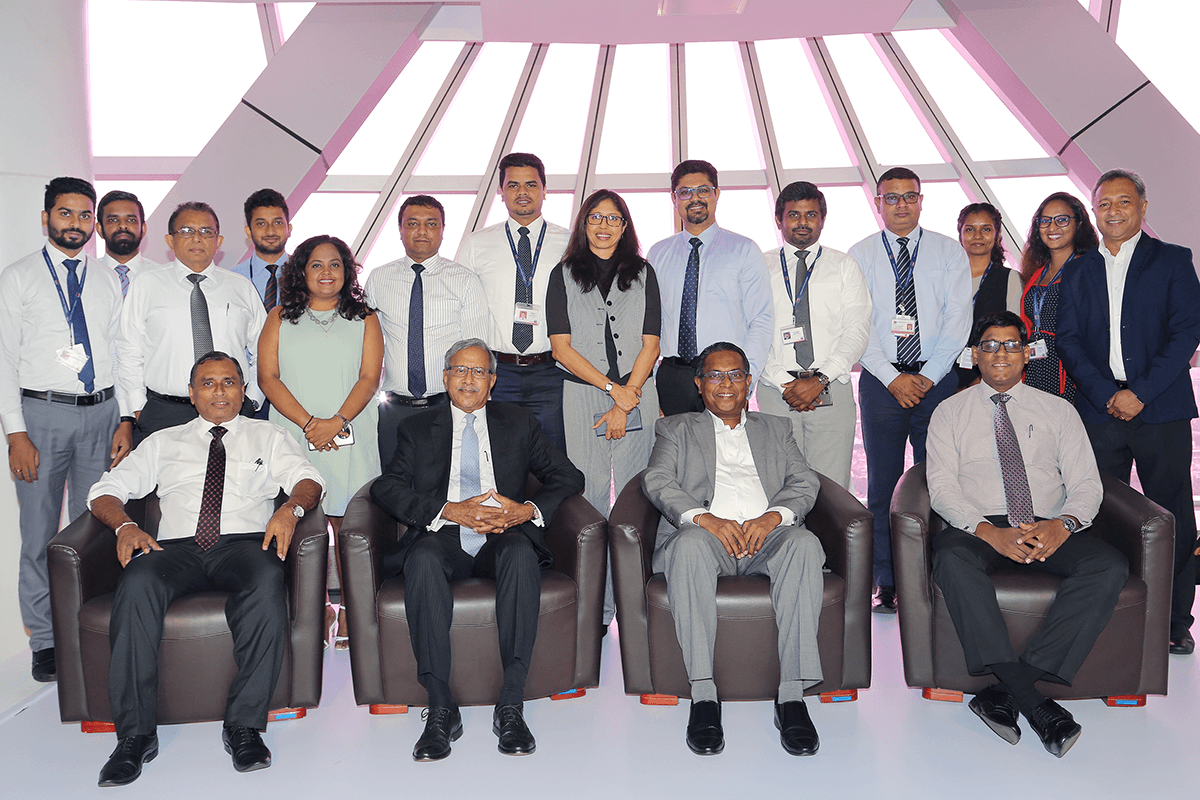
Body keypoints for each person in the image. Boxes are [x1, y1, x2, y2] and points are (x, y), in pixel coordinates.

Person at [87, 352, 324, 785]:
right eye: (208, 383)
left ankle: (244, 726)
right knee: (137, 581)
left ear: (244, 391)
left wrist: (290, 509)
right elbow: (106, 489)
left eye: (229, 382)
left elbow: (308, 480)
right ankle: (135, 736)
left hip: (244, 544)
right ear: (192, 393)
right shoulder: (162, 441)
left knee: (268, 577)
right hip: (176, 548)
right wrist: (124, 526)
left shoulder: (269, 435)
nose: (220, 391)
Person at [369, 339, 584, 761]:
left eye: (479, 371)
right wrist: (448, 510)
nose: (469, 379)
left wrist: (525, 511)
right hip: (444, 533)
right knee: (422, 558)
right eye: (460, 370)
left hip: (503, 533)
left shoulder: (518, 422)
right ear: (445, 377)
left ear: (493, 381)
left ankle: (511, 704)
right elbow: (386, 487)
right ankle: (440, 708)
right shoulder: (416, 427)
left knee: (521, 554)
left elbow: (567, 475)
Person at [927, 311, 1127, 758]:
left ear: (1027, 354)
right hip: (979, 526)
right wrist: (989, 533)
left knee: (1108, 565)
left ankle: (1004, 691)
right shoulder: (949, 412)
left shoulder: (1059, 410)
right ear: (974, 355)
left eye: (1012, 345)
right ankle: (1035, 703)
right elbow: (941, 488)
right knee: (950, 558)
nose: (1001, 353)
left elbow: (1087, 484)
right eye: (990, 345)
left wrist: (1064, 524)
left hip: (1046, 524)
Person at [643, 342, 825, 757]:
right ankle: (704, 697)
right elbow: (657, 480)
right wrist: (706, 520)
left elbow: (804, 481)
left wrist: (773, 517)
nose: (725, 383)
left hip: (768, 539)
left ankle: (791, 698)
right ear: (699, 383)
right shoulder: (675, 429)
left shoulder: (776, 428)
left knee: (804, 544)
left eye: (735, 375)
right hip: (706, 540)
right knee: (689, 546)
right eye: (714, 375)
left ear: (748, 381)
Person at [1057, 169, 1200, 656]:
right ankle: (1110, 611)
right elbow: (1068, 342)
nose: (1113, 211)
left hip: (1160, 407)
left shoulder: (1173, 260)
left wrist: (1140, 392)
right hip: (1100, 411)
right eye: (1104, 204)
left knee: (1172, 511)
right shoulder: (1076, 270)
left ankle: (1175, 620)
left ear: (1142, 207)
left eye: (1123, 202)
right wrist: (1106, 394)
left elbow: (1186, 333)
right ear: (1094, 212)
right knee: (1100, 512)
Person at [0, 176, 128, 683]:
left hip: (102, 413)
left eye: (83, 215)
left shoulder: (106, 279)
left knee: (93, 529)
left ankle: (89, 631)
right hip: (41, 416)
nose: (75, 223)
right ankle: (46, 640)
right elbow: (4, 360)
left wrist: (125, 417)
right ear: (46, 218)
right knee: (39, 533)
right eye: (65, 213)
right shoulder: (18, 277)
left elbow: (120, 350)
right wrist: (16, 433)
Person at [849, 167, 971, 613]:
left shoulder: (948, 251)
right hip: (882, 383)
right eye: (891, 197)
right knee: (882, 485)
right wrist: (891, 376)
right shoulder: (860, 254)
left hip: (936, 383)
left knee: (937, 482)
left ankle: (935, 575)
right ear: (878, 203)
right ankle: (887, 579)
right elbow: (857, 323)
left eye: (909, 196)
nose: (901, 204)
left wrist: (929, 376)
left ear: (921, 200)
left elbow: (958, 318)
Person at [259, 234, 383, 650]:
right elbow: (268, 378)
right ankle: (315, 609)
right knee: (301, 525)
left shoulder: (365, 318)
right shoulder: (279, 317)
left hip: (351, 432)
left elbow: (369, 378)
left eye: (335, 264)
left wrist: (336, 422)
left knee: (349, 527)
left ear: (347, 272)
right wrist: (312, 424)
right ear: (301, 271)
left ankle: (348, 607)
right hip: (296, 433)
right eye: (316, 264)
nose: (326, 272)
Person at [546, 189, 661, 626]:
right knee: (589, 500)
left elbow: (651, 344)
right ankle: (596, 607)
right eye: (596, 217)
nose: (604, 226)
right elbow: (561, 348)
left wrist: (627, 396)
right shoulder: (563, 274)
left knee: (634, 502)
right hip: (583, 396)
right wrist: (614, 390)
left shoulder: (643, 273)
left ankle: (634, 605)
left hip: (638, 393)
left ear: (625, 226)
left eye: (613, 218)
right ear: (584, 223)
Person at [117, 201, 266, 444]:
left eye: (206, 231)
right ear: (170, 240)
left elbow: (264, 350)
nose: (197, 238)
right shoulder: (146, 284)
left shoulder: (241, 287)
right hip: (164, 413)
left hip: (230, 411)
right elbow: (129, 350)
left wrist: (252, 401)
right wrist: (138, 408)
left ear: (218, 241)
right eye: (186, 231)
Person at [758, 181, 871, 490]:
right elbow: (752, 331)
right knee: (780, 486)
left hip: (832, 390)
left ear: (822, 219)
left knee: (832, 489)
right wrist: (784, 382)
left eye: (811, 215)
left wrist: (819, 380)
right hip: (776, 392)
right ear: (779, 219)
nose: (803, 222)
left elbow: (857, 330)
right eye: (793, 215)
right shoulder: (760, 267)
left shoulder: (844, 266)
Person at [456, 153, 571, 453]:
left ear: (544, 190)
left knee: (554, 458)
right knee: (501, 458)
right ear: (501, 192)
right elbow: (459, 308)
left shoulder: (570, 243)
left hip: (553, 372)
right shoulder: (476, 244)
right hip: (498, 374)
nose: (522, 192)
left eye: (531, 184)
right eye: (513, 185)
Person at [365, 195, 490, 468]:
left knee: (444, 483)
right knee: (393, 484)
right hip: (393, 411)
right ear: (400, 230)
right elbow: (366, 343)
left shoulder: (465, 281)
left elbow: (479, 351)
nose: (422, 231)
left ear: (443, 230)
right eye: (413, 223)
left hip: (446, 408)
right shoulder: (379, 279)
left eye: (431, 224)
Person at [647, 159, 773, 415]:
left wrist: (744, 384)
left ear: (717, 194)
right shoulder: (657, 254)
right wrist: (651, 382)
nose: (695, 198)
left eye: (703, 190)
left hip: (724, 378)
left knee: (726, 443)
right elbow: (651, 325)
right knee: (674, 442)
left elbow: (761, 320)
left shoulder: (744, 250)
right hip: (672, 377)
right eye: (685, 192)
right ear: (674, 199)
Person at [1018, 193, 1099, 402]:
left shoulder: (1088, 270)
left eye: (1061, 220)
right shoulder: (1036, 271)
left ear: (1078, 223)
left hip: (1070, 369)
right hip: (1034, 366)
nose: (1052, 227)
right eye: (1045, 221)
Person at [954, 202, 1022, 389]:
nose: (977, 236)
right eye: (970, 229)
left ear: (997, 235)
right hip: (945, 374)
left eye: (986, 229)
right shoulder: (947, 277)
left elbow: (1013, 335)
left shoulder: (1010, 279)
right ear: (960, 235)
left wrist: (982, 379)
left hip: (990, 376)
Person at [232, 188, 292, 311]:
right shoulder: (234, 279)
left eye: (278, 223)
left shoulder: (306, 274)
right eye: (261, 223)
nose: (270, 231)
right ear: (248, 232)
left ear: (289, 229)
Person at [95, 189, 162, 298]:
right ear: (99, 229)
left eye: (131, 220)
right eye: (113, 220)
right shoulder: (85, 275)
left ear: (143, 229)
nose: (122, 226)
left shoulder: (162, 277)